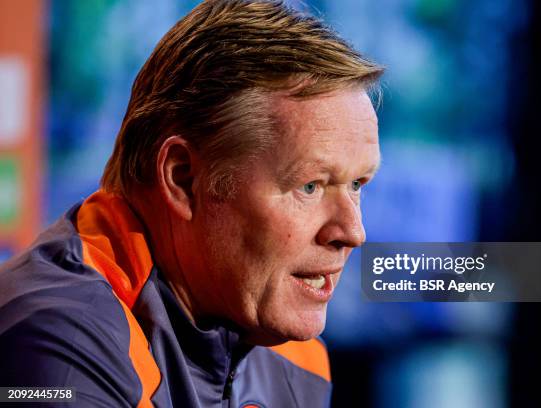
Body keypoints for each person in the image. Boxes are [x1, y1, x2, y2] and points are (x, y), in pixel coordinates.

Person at [0, 0, 383, 406]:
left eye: (357, 184)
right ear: (183, 178)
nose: (352, 232)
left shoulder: (296, 355)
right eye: (310, 186)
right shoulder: (59, 346)